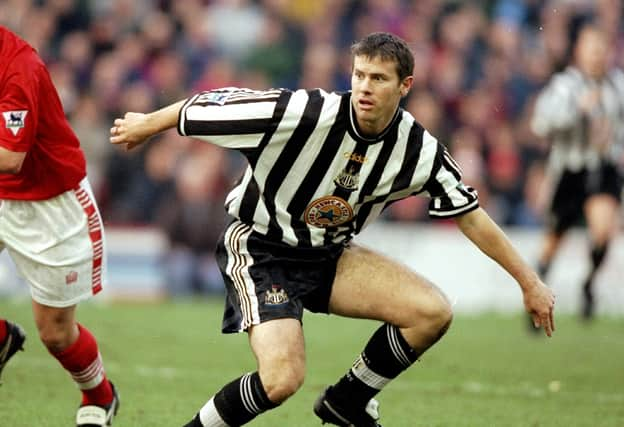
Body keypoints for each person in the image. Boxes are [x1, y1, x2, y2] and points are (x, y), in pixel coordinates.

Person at [110, 32, 555, 427]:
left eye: (379, 79)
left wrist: (529, 282)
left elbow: (471, 214)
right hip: (261, 248)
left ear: (405, 86)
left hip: (329, 255)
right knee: (282, 379)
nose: (364, 86)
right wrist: (148, 124)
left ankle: (348, 401)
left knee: (431, 312)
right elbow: (215, 103)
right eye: (359, 75)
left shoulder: (417, 150)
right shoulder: (306, 113)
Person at [0, 26, 119, 427]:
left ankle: (100, 395)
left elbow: (9, 157)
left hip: (48, 203)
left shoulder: (18, 67)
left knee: (54, 332)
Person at [531, 24, 624, 320]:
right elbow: (541, 124)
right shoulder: (565, 85)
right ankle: (537, 295)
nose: (597, 54)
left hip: (605, 168)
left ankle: (589, 283)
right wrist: (575, 110)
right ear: (580, 51)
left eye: (602, 48)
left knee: (603, 232)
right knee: (554, 239)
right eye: (592, 48)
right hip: (570, 169)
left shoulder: (621, 85)